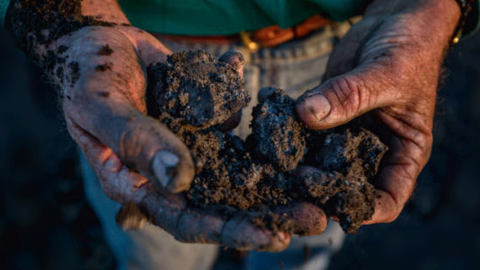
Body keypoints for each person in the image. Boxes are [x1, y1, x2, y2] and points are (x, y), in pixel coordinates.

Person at [2, 0, 478, 269]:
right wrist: (71, 25)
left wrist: (433, 7)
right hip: (143, 57)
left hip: (348, 47)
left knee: (306, 238)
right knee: (154, 244)